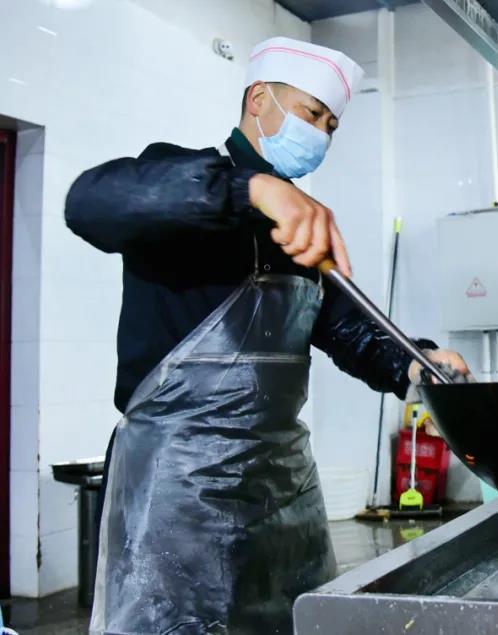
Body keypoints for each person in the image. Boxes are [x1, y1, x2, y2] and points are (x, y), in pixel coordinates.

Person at [64, 37, 471, 634]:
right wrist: (249, 189)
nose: (321, 133)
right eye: (312, 113)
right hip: (180, 495)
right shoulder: (188, 186)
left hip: (281, 490)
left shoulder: (302, 224)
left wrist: (416, 364)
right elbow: (89, 203)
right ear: (259, 99)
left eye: (331, 125)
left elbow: (345, 327)